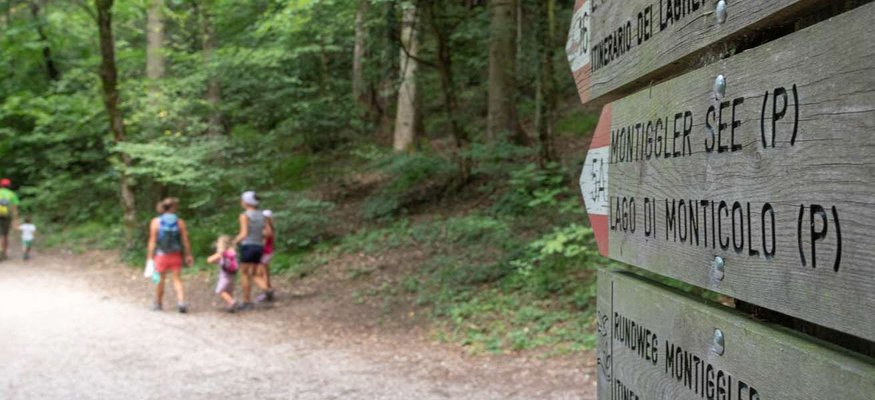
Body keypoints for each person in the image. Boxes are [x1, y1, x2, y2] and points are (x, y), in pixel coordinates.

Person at [147, 198, 194, 313]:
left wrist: (149, 257)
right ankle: (181, 302)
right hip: (175, 255)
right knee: (177, 279)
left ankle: (158, 303)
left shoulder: (156, 221)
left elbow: (152, 241)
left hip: (161, 256)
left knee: (160, 280)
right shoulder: (180, 222)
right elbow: (185, 240)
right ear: (174, 208)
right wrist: (188, 255)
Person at [234, 191, 272, 310]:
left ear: (246, 202)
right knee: (255, 273)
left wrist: (233, 241)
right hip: (259, 247)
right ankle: (267, 289)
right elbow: (268, 233)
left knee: (245, 274)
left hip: (247, 247)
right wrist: (258, 236)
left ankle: (247, 302)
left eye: (242, 200)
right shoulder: (263, 215)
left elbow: (244, 234)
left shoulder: (244, 215)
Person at [207, 235, 239, 313]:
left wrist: (214, 256)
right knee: (229, 291)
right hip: (233, 276)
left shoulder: (222, 253)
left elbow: (209, 260)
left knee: (220, 291)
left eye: (218, 243)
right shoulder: (232, 253)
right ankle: (230, 306)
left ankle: (232, 302)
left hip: (224, 277)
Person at [255, 209, 276, 303]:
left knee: (260, 273)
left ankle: (267, 291)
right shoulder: (271, 228)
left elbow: (262, 243)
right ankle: (268, 289)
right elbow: (272, 242)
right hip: (269, 252)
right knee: (265, 272)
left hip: (264, 253)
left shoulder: (265, 229)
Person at [0, 178, 20, 261]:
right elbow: (15, 208)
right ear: (9, 185)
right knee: (5, 235)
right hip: (7, 216)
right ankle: (4, 253)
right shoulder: (12, 194)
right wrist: (15, 220)